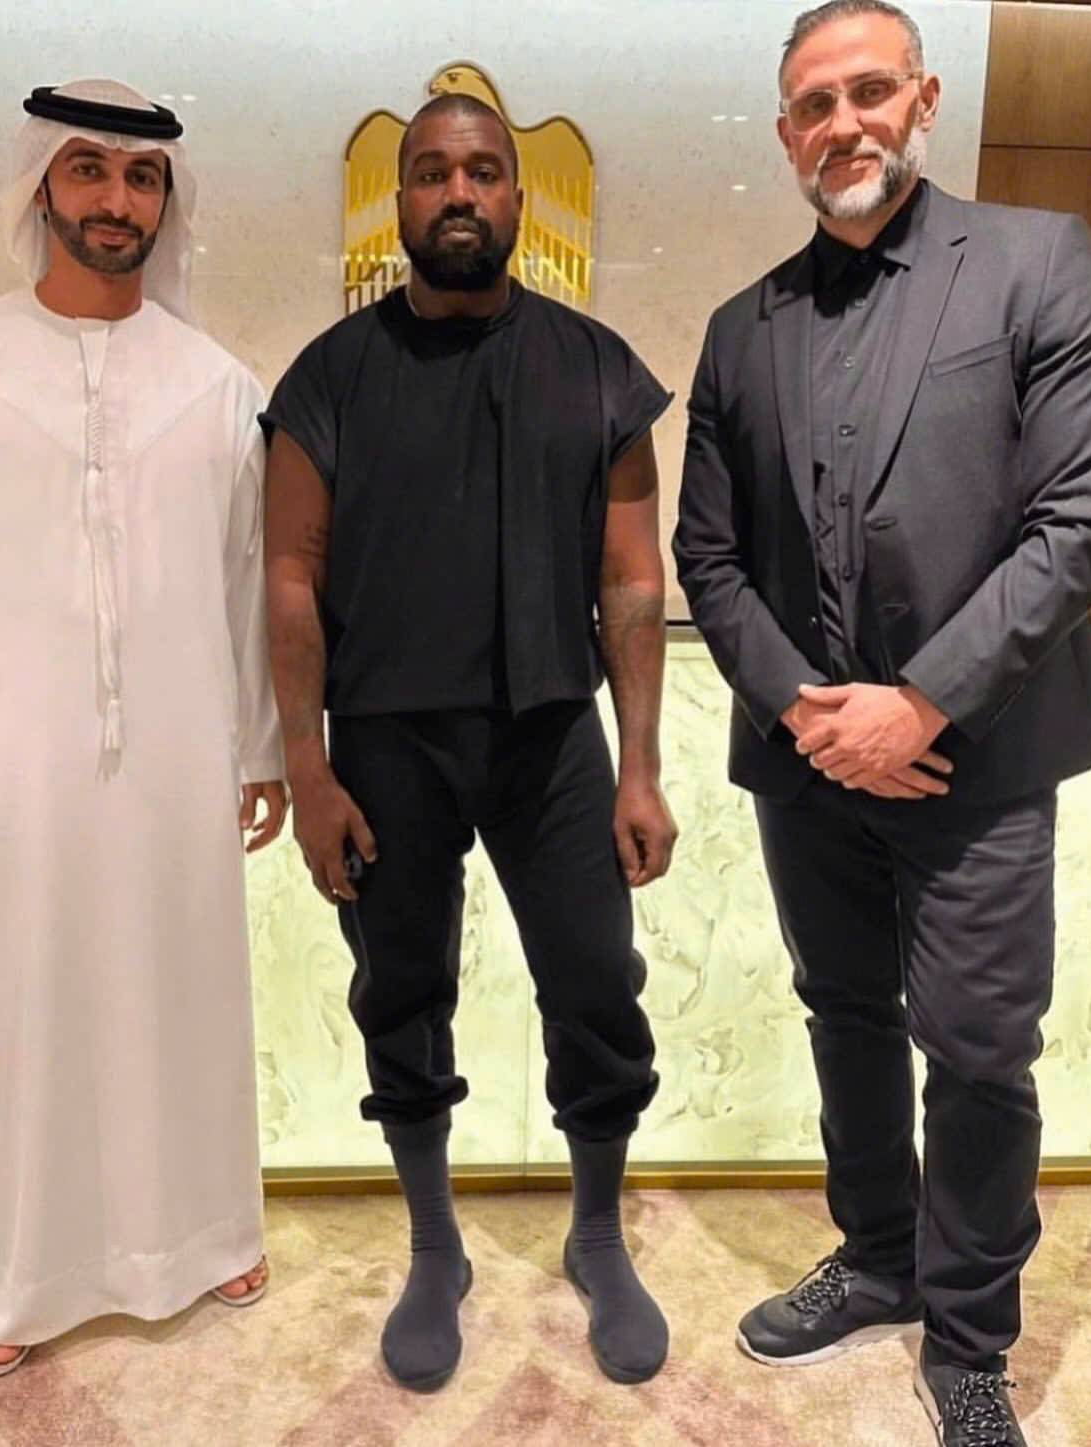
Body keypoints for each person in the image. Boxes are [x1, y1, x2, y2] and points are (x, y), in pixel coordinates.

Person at [674, 3, 1091, 1443]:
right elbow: (709, 559)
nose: (842, 124)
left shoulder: (1039, 262)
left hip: (979, 759)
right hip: (812, 769)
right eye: (814, 104)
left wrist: (919, 705)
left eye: (869, 92)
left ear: (922, 100)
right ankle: (875, 1259)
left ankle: (971, 1340)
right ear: (784, 133)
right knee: (843, 1014)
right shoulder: (740, 330)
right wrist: (814, 714)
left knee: (976, 1049)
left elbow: (1077, 521)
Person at [263, 92, 677, 1391]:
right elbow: (288, 577)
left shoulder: (597, 367)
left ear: (517, 197)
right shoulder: (326, 379)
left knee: (597, 985)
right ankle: (435, 1249)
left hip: (553, 736)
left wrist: (641, 766)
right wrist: (308, 769)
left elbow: (631, 577)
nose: (459, 192)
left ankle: (597, 1235)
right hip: (385, 744)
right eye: (433, 172)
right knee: (399, 991)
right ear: (397, 200)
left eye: (484, 171)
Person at [0, 79, 286, 1375]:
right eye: (87, 169)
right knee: (16, 1012)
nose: (115, 199)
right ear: (41, 186)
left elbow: (246, 585)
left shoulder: (220, 386)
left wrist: (259, 747)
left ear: (165, 203)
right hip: (10, 760)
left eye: (140, 177)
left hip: (181, 757)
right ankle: (16, 1279)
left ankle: (207, 1230)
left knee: (185, 987)